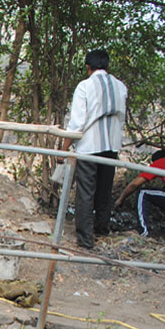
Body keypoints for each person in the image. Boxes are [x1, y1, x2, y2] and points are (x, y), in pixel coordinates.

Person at [57, 49, 127, 250]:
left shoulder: (85, 87)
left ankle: (86, 240)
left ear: (88, 67)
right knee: (104, 190)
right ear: (107, 66)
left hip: (89, 146)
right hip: (111, 146)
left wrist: (64, 148)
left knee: (85, 192)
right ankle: (102, 229)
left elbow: (77, 123)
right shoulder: (120, 87)